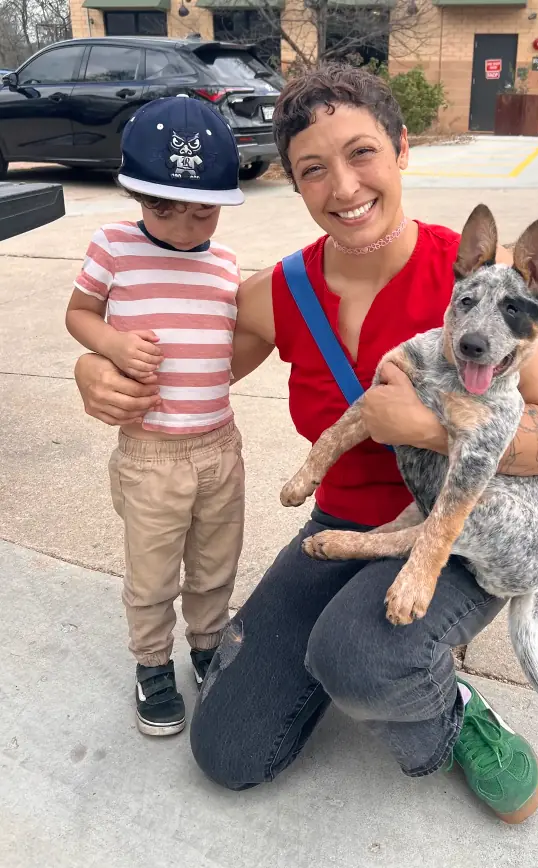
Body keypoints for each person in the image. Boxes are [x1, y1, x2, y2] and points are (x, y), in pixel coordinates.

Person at [73, 66, 538, 822]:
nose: (342, 187)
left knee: (361, 655)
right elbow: (185, 367)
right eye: (312, 168)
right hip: (339, 523)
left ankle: (449, 707)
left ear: (401, 149)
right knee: (228, 752)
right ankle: (376, 654)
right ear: (294, 182)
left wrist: (425, 427)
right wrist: (94, 366)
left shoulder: (476, 285)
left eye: (361, 152)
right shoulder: (280, 291)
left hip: (454, 534)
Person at [66, 95, 246, 737]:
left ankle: (207, 645)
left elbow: (230, 346)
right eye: (164, 208)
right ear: (136, 194)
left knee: (216, 562)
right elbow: (79, 312)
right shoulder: (113, 246)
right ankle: (151, 663)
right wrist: (110, 346)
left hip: (220, 444)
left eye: (204, 212)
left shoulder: (225, 265)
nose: (185, 228)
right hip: (152, 452)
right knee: (152, 571)